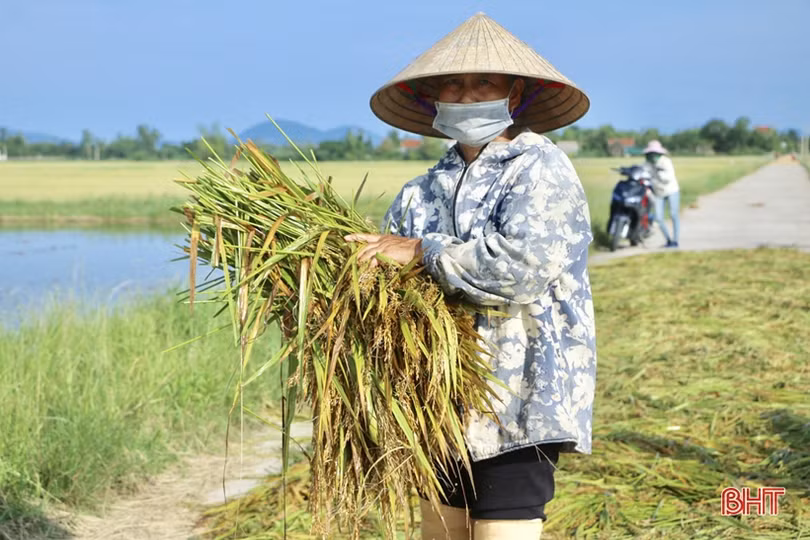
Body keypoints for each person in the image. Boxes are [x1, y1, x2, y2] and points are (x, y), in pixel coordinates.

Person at [345, 13, 597, 540]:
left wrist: (422, 251)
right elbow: (390, 283)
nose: (466, 95)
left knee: (501, 530)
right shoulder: (418, 191)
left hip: (519, 396)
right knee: (439, 532)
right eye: (453, 85)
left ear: (516, 93)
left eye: (483, 82)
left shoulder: (540, 170)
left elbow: (521, 269)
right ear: (433, 100)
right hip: (435, 394)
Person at [643, 140, 681, 248]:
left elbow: (667, 178)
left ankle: (675, 240)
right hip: (658, 193)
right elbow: (644, 174)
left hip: (671, 190)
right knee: (659, 218)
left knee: (674, 215)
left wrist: (658, 172)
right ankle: (668, 240)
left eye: (654, 153)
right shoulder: (647, 164)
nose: (652, 156)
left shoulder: (666, 162)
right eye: (650, 154)